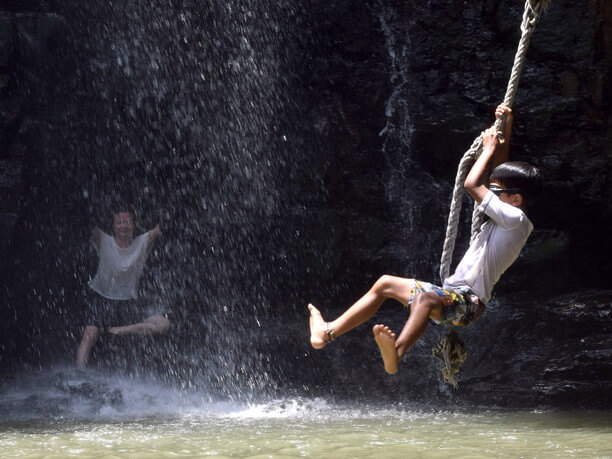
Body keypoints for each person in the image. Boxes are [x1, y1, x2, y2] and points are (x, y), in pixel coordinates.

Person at [307, 104, 541, 375]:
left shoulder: (516, 220)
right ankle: (327, 333)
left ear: (516, 199)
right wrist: (505, 127)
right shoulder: (509, 214)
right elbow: (499, 171)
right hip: (452, 294)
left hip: (468, 304)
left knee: (426, 300)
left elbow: (471, 185)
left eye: (496, 190)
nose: (490, 191)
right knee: (385, 284)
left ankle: (397, 352)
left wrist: (487, 150)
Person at [76, 210, 169, 369]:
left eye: (127, 222)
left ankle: (120, 330)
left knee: (163, 324)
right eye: (119, 222)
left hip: (128, 303)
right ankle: (78, 375)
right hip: (101, 299)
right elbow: (86, 221)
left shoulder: (142, 242)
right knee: (89, 335)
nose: (123, 225)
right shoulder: (103, 240)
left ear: (133, 225)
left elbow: (162, 227)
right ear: (113, 226)